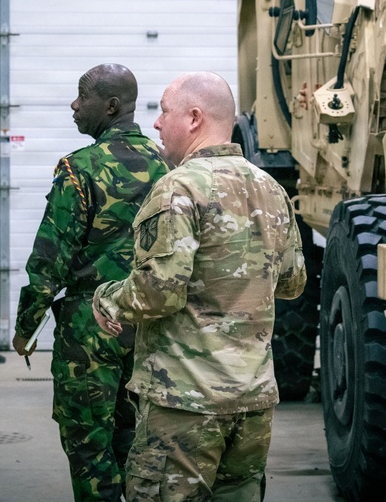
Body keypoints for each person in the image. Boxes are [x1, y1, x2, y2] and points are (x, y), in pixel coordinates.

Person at [92, 71, 307, 501]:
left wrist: (108, 300)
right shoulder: (270, 189)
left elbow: (159, 291)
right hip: (251, 404)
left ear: (193, 118)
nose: (155, 123)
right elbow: (292, 282)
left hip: (184, 406)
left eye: (163, 111)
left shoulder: (178, 188)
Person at [13, 63, 170, 501]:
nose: (74, 104)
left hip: (91, 326)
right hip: (150, 323)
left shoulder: (79, 168)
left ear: (112, 106)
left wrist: (27, 325)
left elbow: (49, 259)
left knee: (89, 445)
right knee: (138, 440)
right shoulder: (169, 165)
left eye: (83, 97)